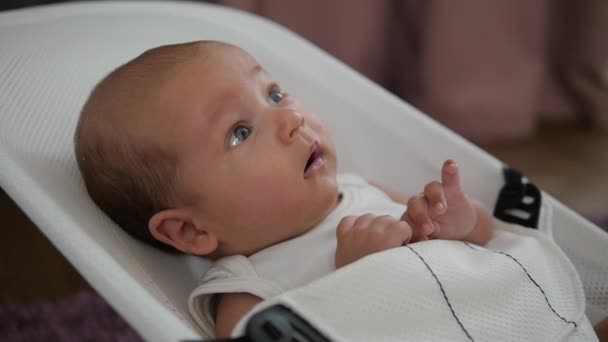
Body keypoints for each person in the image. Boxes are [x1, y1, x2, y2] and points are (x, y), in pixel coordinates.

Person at [74, 41, 602, 340]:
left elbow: (486, 244)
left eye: (275, 93)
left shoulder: (361, 190)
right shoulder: (247, 297)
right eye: (239, 131)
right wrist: (361, 280)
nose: (289, 118)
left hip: (522, 316)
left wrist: (458, 225)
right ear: (190, 229)